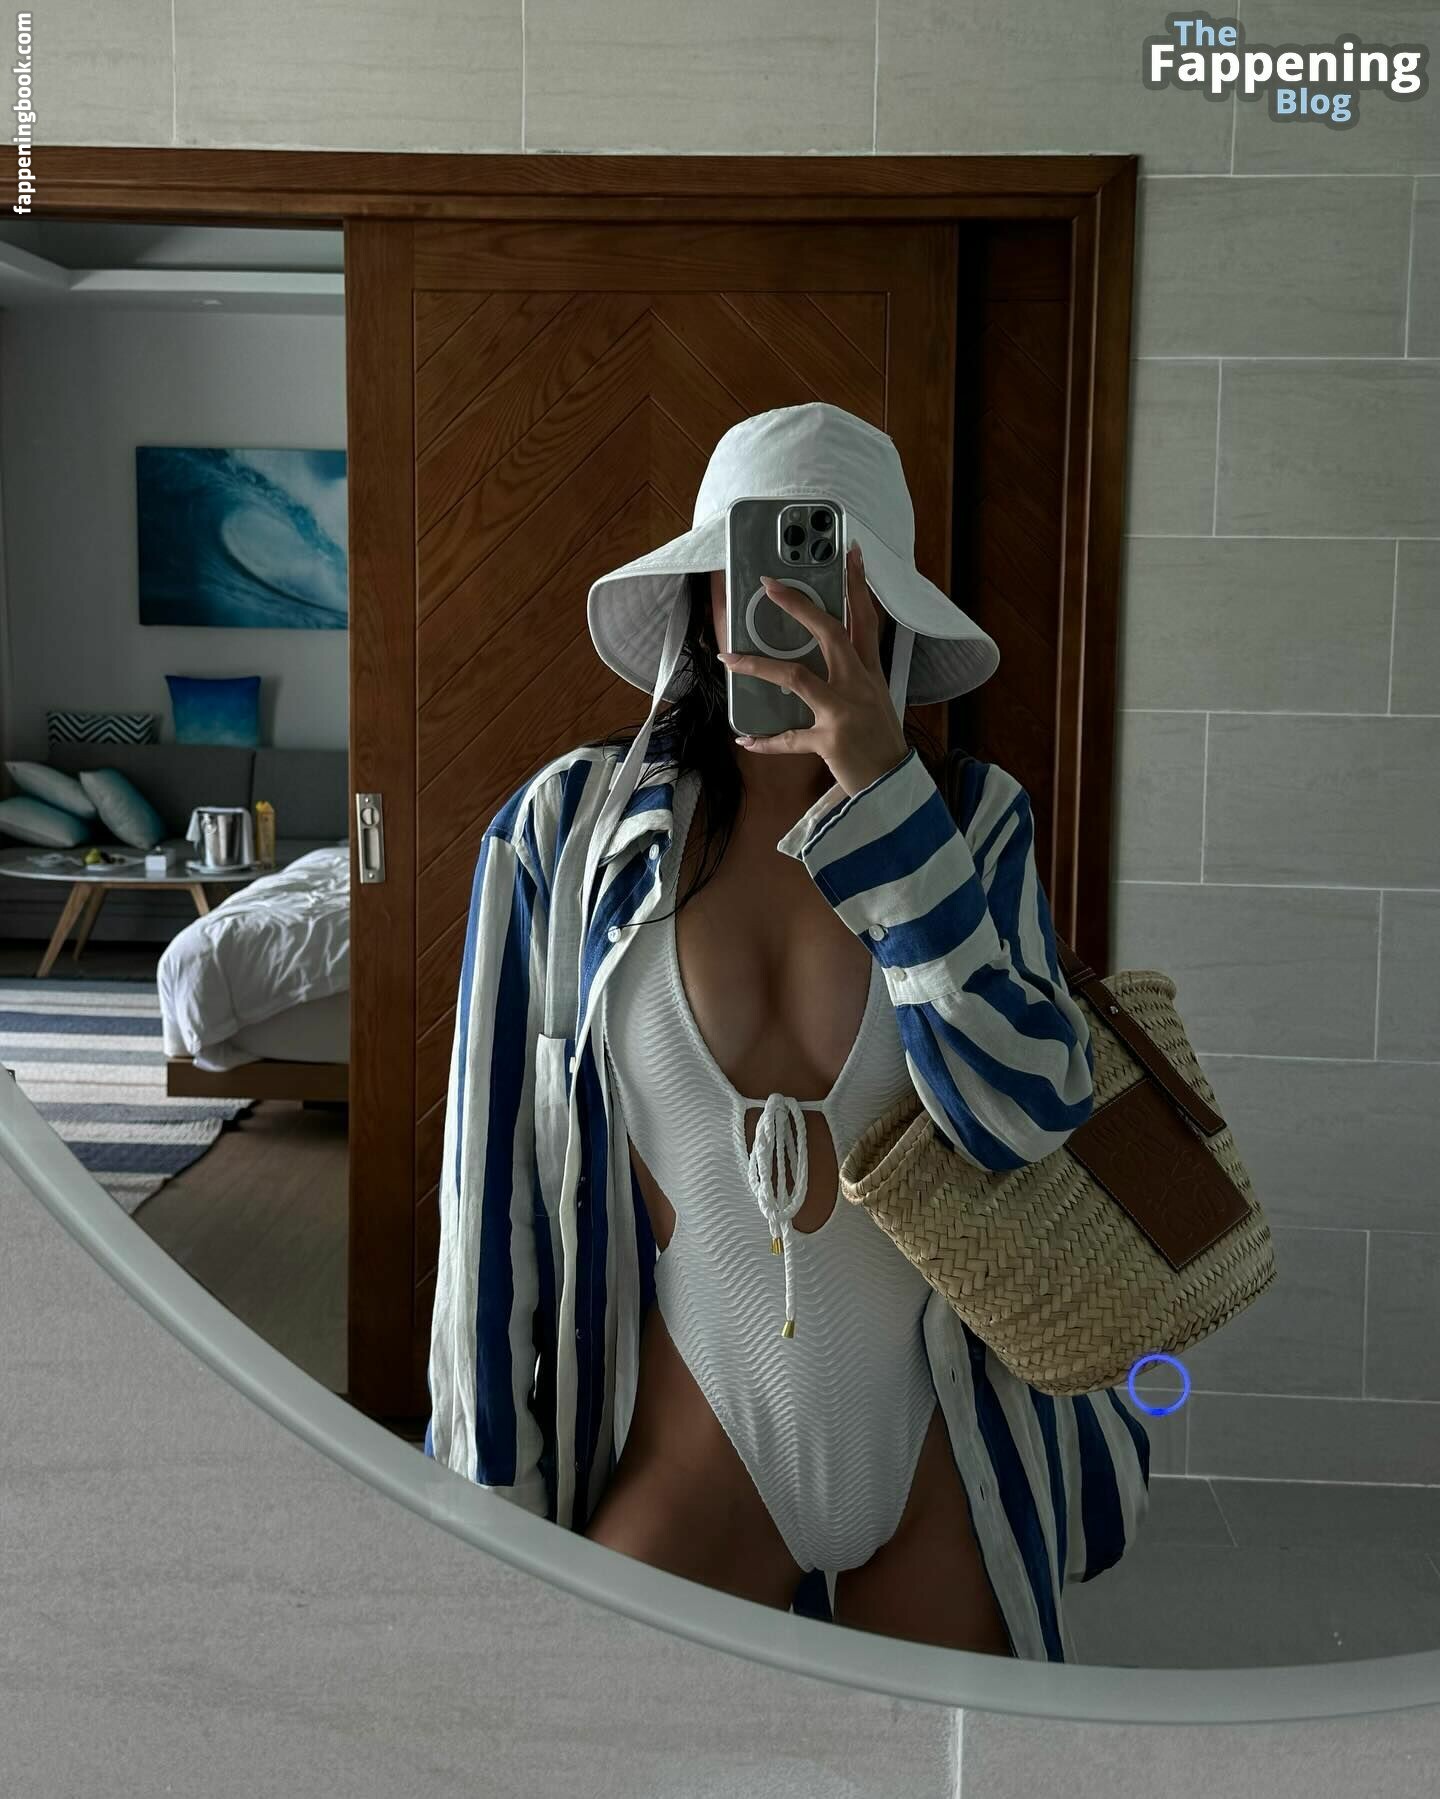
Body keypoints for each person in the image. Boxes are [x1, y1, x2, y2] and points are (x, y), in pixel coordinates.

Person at [424, 402, 1150, 1664]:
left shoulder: (973, 824)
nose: (793, 606)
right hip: (691, 1460)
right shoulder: (565, 836)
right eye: (755, 568)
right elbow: (491, 1208)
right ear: (707, 596)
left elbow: (1026, 1120)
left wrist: (891, 806)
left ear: (888, 608)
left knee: (953, 1760)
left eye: (833, 575)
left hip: (940, 1463)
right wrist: (486, 1513)